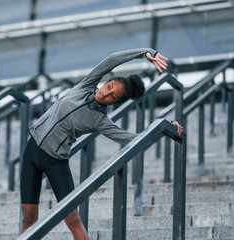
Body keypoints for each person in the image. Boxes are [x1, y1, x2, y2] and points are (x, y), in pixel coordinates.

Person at [20, 48, 183, 239]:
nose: (106, 94)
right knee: (28, 218)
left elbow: (133, 139)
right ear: (106, 82)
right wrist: (145, 53)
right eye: (109, 86)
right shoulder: (86, 85)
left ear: (115, 103)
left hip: (55, 161)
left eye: (112, 96)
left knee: (73, 219)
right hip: (31, 152)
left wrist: (165, 129)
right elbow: (111, 59)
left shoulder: (100, 120)